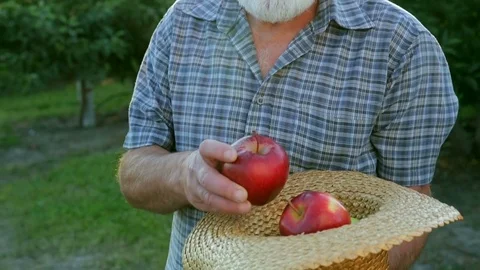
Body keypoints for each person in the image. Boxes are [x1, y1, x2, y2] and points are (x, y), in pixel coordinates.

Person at [117, 0, 459, 269]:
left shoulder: (402, 46)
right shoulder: (183, 21)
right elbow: (136, 171)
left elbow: (411, 208)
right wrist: (183, 175)